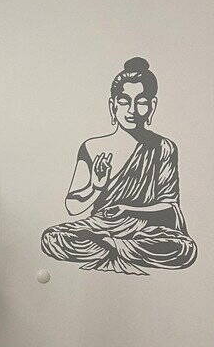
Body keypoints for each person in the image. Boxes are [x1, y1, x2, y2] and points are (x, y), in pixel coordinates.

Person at [41, 58, 197, 274]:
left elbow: (169, 207)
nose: (132, 110)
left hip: (145, 230)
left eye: (141, 102)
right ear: (112, 105)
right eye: (124, 101)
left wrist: (128, 209)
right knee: (52, 238)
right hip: (101, 226)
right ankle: (117, 246)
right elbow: (72, 207)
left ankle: (112, 246)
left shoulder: (164, 147)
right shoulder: (92, 147)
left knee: (184, 249)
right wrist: (96, 186)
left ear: (152, 106)